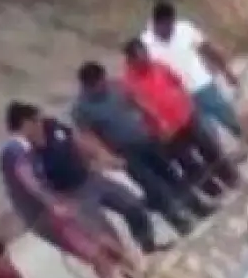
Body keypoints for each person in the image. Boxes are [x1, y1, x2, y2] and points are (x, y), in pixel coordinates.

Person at [0, 101, 140, 278]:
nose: (41, 126)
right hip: (45, 214)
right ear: (25, 123)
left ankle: (132, 274)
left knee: (99, 238)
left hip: (55, 206)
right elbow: (29, 180)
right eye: (37, 122)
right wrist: (53, 203)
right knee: (93, 248)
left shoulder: (29, 146)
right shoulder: (16, 148)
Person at [11, 101, 169, 256]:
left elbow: (78, 141)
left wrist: (105, 157)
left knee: (132, 204)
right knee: (104, 233)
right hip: (72, 195)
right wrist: (54, 204)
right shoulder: (25, 152)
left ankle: (148, 246)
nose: (38, 123)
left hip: (90, 176)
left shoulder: (53, 126)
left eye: (38, 118)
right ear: (24, 126)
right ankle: (131, 271)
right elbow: (34, 185)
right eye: (33, 122)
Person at [73, 61, 213, 233]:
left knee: (171, 174)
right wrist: (108, 157)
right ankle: (178, 221)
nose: (102, 87)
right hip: (125, 153)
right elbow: (90, 137)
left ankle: (197, 206)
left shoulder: (116, 86)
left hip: (146, 138)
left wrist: (158, 122)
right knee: (153, 186)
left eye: (103, 81)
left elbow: (139, 103)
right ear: (88, 86)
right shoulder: (82, 109)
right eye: (98, 85)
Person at [122, 38, 241, 198]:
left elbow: (177, 83)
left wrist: (188, 104)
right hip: (165, 131)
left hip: (185, 116)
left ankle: (231, 178)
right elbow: (139, 106)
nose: (145, 59)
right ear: (132, 60)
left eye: (145, 54)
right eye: (140, 58)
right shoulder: (129, 82)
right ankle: (215, 192)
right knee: (189, 162)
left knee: (209, 147)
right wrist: (159, 123)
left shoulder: (158, 65)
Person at [141, 2, 244, 141]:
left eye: (171, 26)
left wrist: (227, 72)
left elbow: (208, 50)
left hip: (203, 85)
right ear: (156, 23)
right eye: (165, 28)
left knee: (228, 117)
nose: (169, 31)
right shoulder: (145, 43)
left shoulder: (185, 28)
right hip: (180, 97)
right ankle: (222, 158)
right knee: (207, 132)